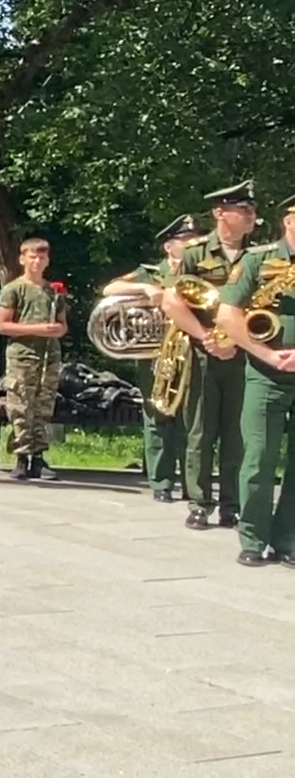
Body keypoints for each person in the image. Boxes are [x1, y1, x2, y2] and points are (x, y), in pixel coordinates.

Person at [165, 181, 258, 530]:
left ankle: (231, 503)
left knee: (237, 433)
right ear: (221, 213)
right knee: (200, 430)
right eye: (244, 210)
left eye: (251, 210)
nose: (251, 216)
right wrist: (205, 336)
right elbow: (175, 302)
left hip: (244, 353)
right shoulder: (195, 253)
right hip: (204, 350)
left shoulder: (260, 255)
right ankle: (199, 502)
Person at [217, 194, 295, 566]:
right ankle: (252, 538)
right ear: (288, 221)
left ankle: (288, 540)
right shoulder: (258, 259)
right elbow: (228, 314)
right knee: (259, 457)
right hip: (266, 375)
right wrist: (265, 354)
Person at [101, 215, 199, 500]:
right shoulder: (151, 273)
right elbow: (110, 290)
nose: (193, 244)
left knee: (191, 421)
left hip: (194, 353)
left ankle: (192, 485)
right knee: (158, 416)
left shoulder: (201, 272)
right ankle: (161, 482)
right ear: (169, 247)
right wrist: (145, 289)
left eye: (194, 240)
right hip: (157, 358)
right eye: (186, 241)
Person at [0, 238, 69, 481]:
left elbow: (62, 325)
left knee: (43, 406)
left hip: (49, 356)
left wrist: (57, 330)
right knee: (20, 406)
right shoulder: (14, 289)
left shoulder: (53, 291)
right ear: (22, 259)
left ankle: (38, 456)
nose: (37, 261)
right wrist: (39, 329)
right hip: (22, 356)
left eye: (41, 257)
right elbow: (3, 325)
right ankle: (21, 456)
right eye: (32, 256)